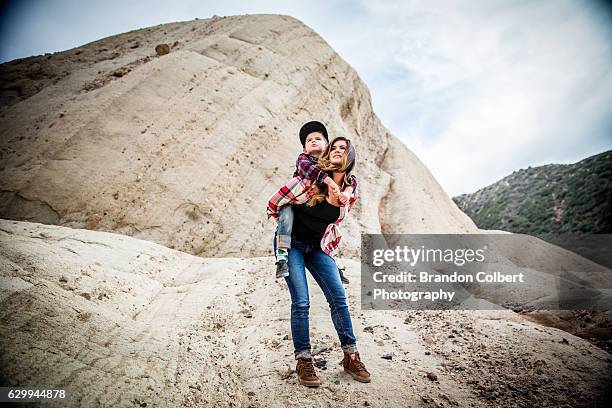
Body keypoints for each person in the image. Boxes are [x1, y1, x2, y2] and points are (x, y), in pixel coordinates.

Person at [266, 136, 371, 387]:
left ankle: (351, 356)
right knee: (301, 301)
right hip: (292, 246)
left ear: (350, 156)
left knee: (339, 299)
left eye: (342, 149)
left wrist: (344, 190)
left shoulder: (350, 189)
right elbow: (274, 202)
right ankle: (304, 360)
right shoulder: (308, 181)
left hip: (319, 248)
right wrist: (279, 227)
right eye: (333, 147)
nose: (336, 151)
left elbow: (350, 188)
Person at [273, 121, 356, 284]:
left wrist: (347, 191)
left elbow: (351, 180)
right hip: (295, 201)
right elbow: (308, 170)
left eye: (318, 138)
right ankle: (282, 255)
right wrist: (329, 182)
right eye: (309, 140)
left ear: (327, 146)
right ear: (304, 148)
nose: (313, 140)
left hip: (315, 212)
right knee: (286, 217)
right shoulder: (304, 159)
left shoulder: (331, 166)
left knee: (329, 229)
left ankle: (332, 262)